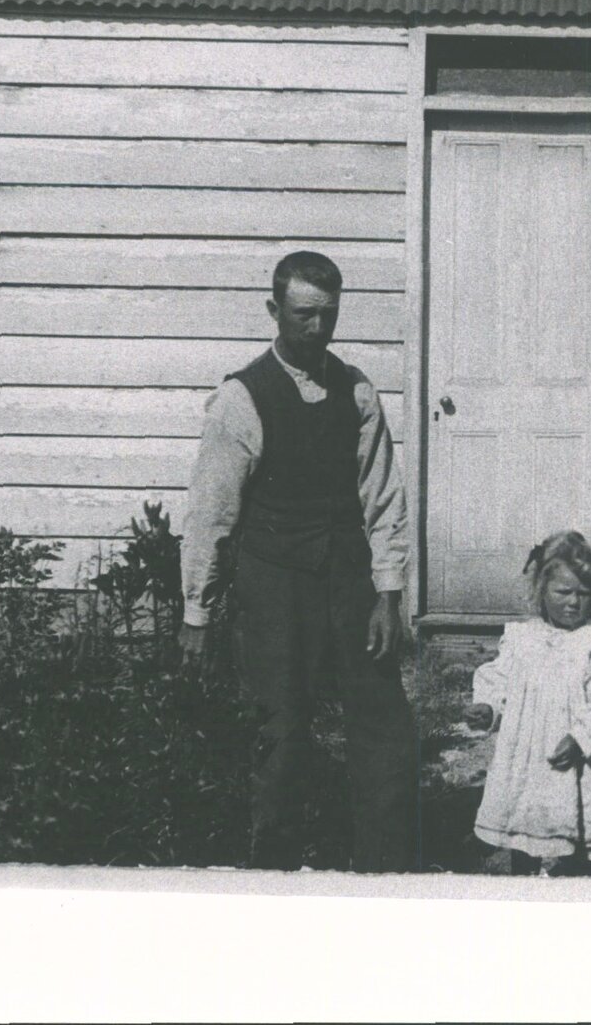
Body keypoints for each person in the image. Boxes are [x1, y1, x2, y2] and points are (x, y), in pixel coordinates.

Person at [178, 250, 417, 873]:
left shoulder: (357, 390)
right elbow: (211, 514)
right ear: (274, 311)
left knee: (384, 729)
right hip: (274, 583)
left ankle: (385, 871)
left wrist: (388, 595)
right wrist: (196, 613)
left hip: (349, 581)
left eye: (328, 316)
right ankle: (273, 875)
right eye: (303, 315)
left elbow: (383, 495)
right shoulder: (240, 399)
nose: (317, 329)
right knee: (280, 734)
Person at [464, 530, 591, 873]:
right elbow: (499, 677)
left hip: (579, 754)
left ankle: (576, 872)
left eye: (583, 593)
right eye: (563, 592)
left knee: (575, 817)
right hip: (529, 753)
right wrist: (488, 707)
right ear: (541, 590)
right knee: (524, 816)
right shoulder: (522, 640)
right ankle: (524, 870)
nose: (573, 602)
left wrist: (581, 737)